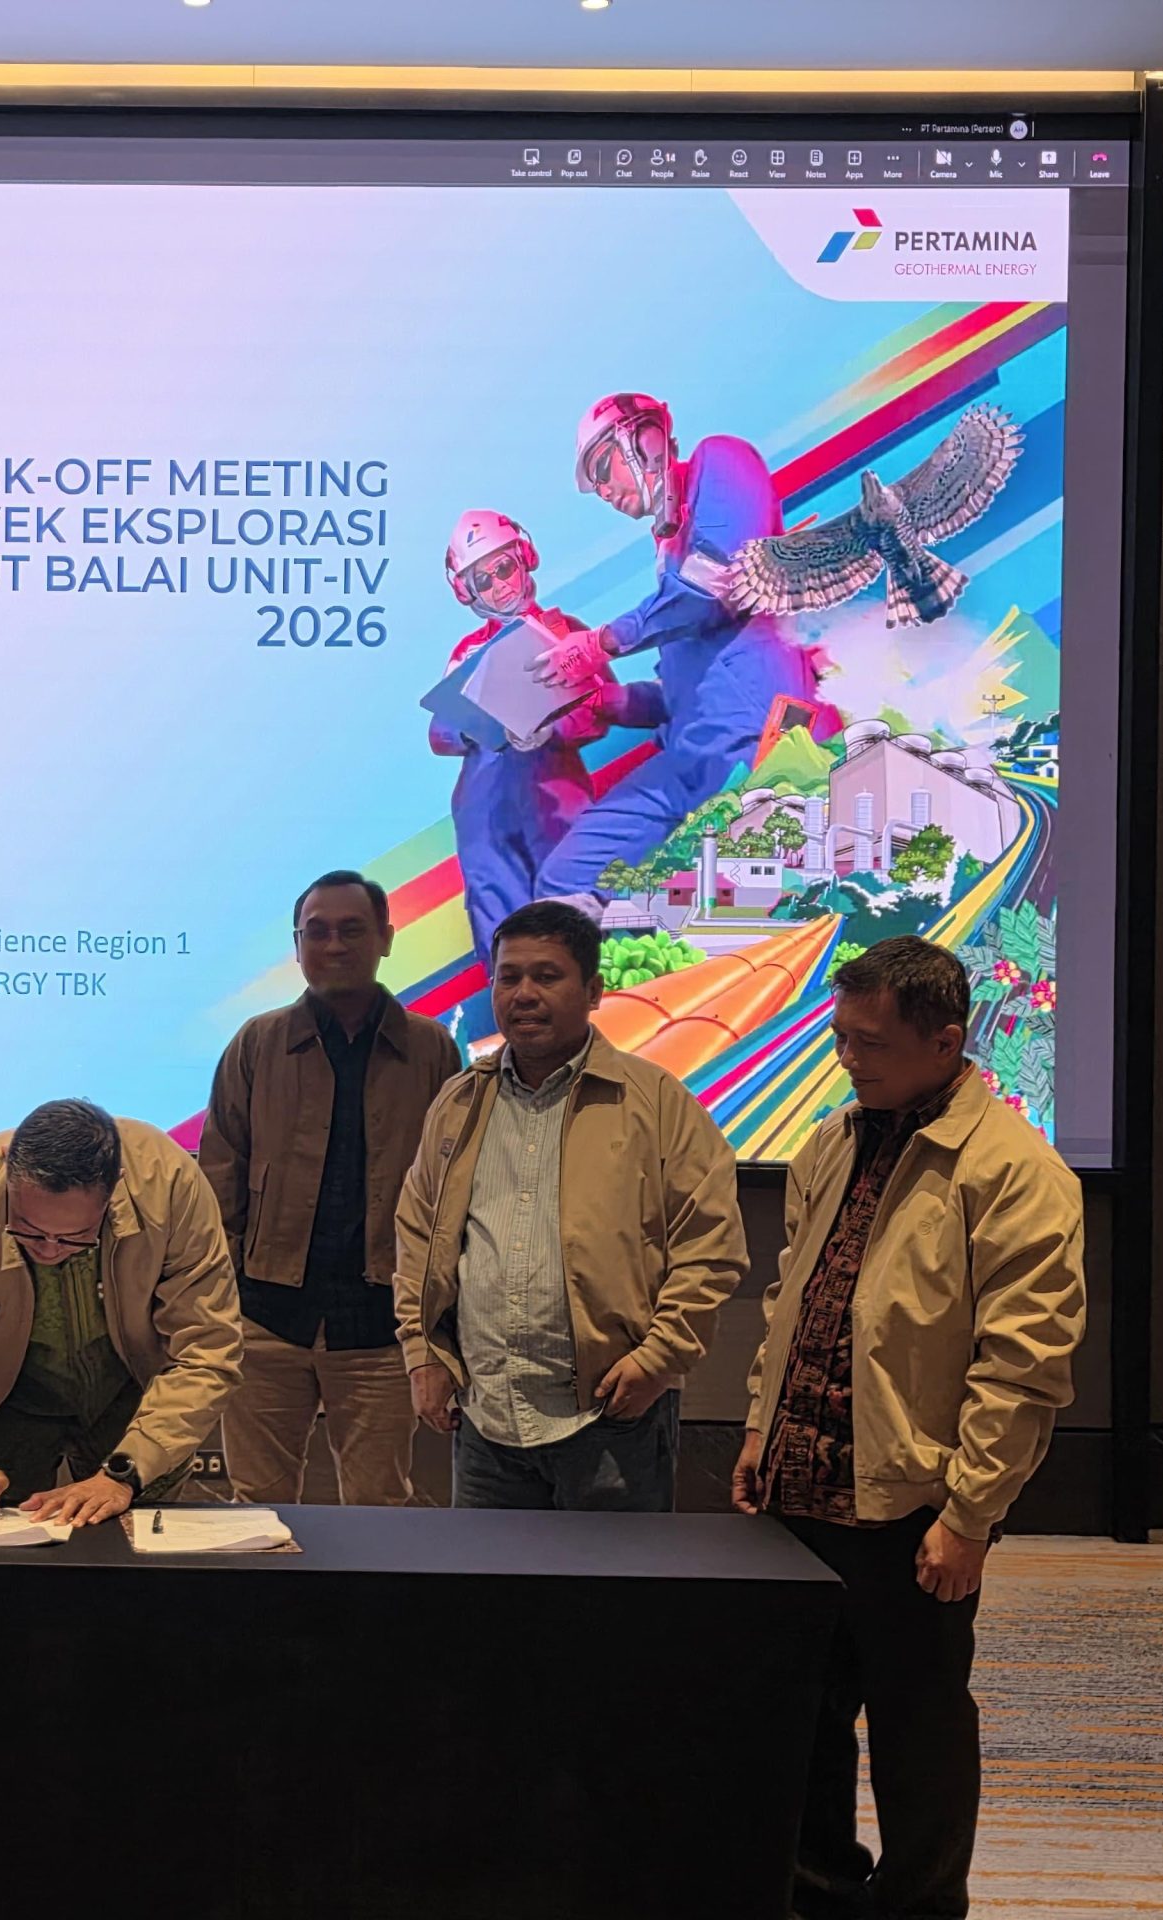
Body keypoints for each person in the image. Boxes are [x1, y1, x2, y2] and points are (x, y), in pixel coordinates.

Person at [734, 936, 1085, 1920]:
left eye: (871, 1043)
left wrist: (970, 1516)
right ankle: (818, 1894)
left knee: (917, 1725)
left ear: (945, 1041)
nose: (848, 1059)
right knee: (803, 1717)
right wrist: (759, 1428)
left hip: (910, 1504)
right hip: (799, 1488)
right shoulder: (832, 1143)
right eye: (841, 1038)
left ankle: (920, 1907)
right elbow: (792, 1303)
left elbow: (1023, 1367)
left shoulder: (1016, 1171)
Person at [393, 899, 746, 1510]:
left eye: (547, 976)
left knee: (608, 1578)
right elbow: (418, 1235)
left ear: (593, 991)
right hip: (485, 1418)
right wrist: (423, 1352)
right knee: (485, 1575)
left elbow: (710, 1247)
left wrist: (660, 1357)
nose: (524, 994)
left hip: (614, 1417)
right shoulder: (459, 1103)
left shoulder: (655, 1102)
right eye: (508, 977)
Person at [198, 870, 461, 1506]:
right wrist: (224, 1299)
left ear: (386, 939)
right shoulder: (256, 1044)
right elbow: (219, 1177)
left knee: (379, 1506)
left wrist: (435, 1320)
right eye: (316, 932)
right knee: (255, 1507)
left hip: (380, 1326)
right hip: (266, 1321)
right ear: (297, 946)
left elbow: (453, 1189)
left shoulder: (431, 1050)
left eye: (352, 930)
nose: (334, 945)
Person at [0, 1098, 242, 1526]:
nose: (49, 1250)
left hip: (136, 1394)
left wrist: (128, 1471)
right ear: (7, 1165)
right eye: (27, 1230)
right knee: (4, 1545)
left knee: (135, 1546)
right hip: (4, 1399)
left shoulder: (168, 1184)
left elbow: (206, 1352)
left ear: (115, 1186)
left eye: (75, 1238)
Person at [532, 391, 819, 909]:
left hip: (764, 746)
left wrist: (599, 644)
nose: (602, 491)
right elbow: (685, 694)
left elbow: (713, 589)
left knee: (735, 904)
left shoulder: (722, 460)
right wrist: (605, 701)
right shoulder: (668, 553)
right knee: (564, 883)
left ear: (645, 439)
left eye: (603, 468)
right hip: (686, 760)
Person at [432, 509, 629, 970]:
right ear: (466, 591)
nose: (499, 585)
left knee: (577, 921)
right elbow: (440, 732)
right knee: (504, 937)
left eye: (504, 567)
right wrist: (474, 725)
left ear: (526, 558)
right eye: (483, 579)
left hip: (556, 805)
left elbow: (604, 707)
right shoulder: (466, 654)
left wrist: (552, 727)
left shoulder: (568, 633)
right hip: (486, 822)